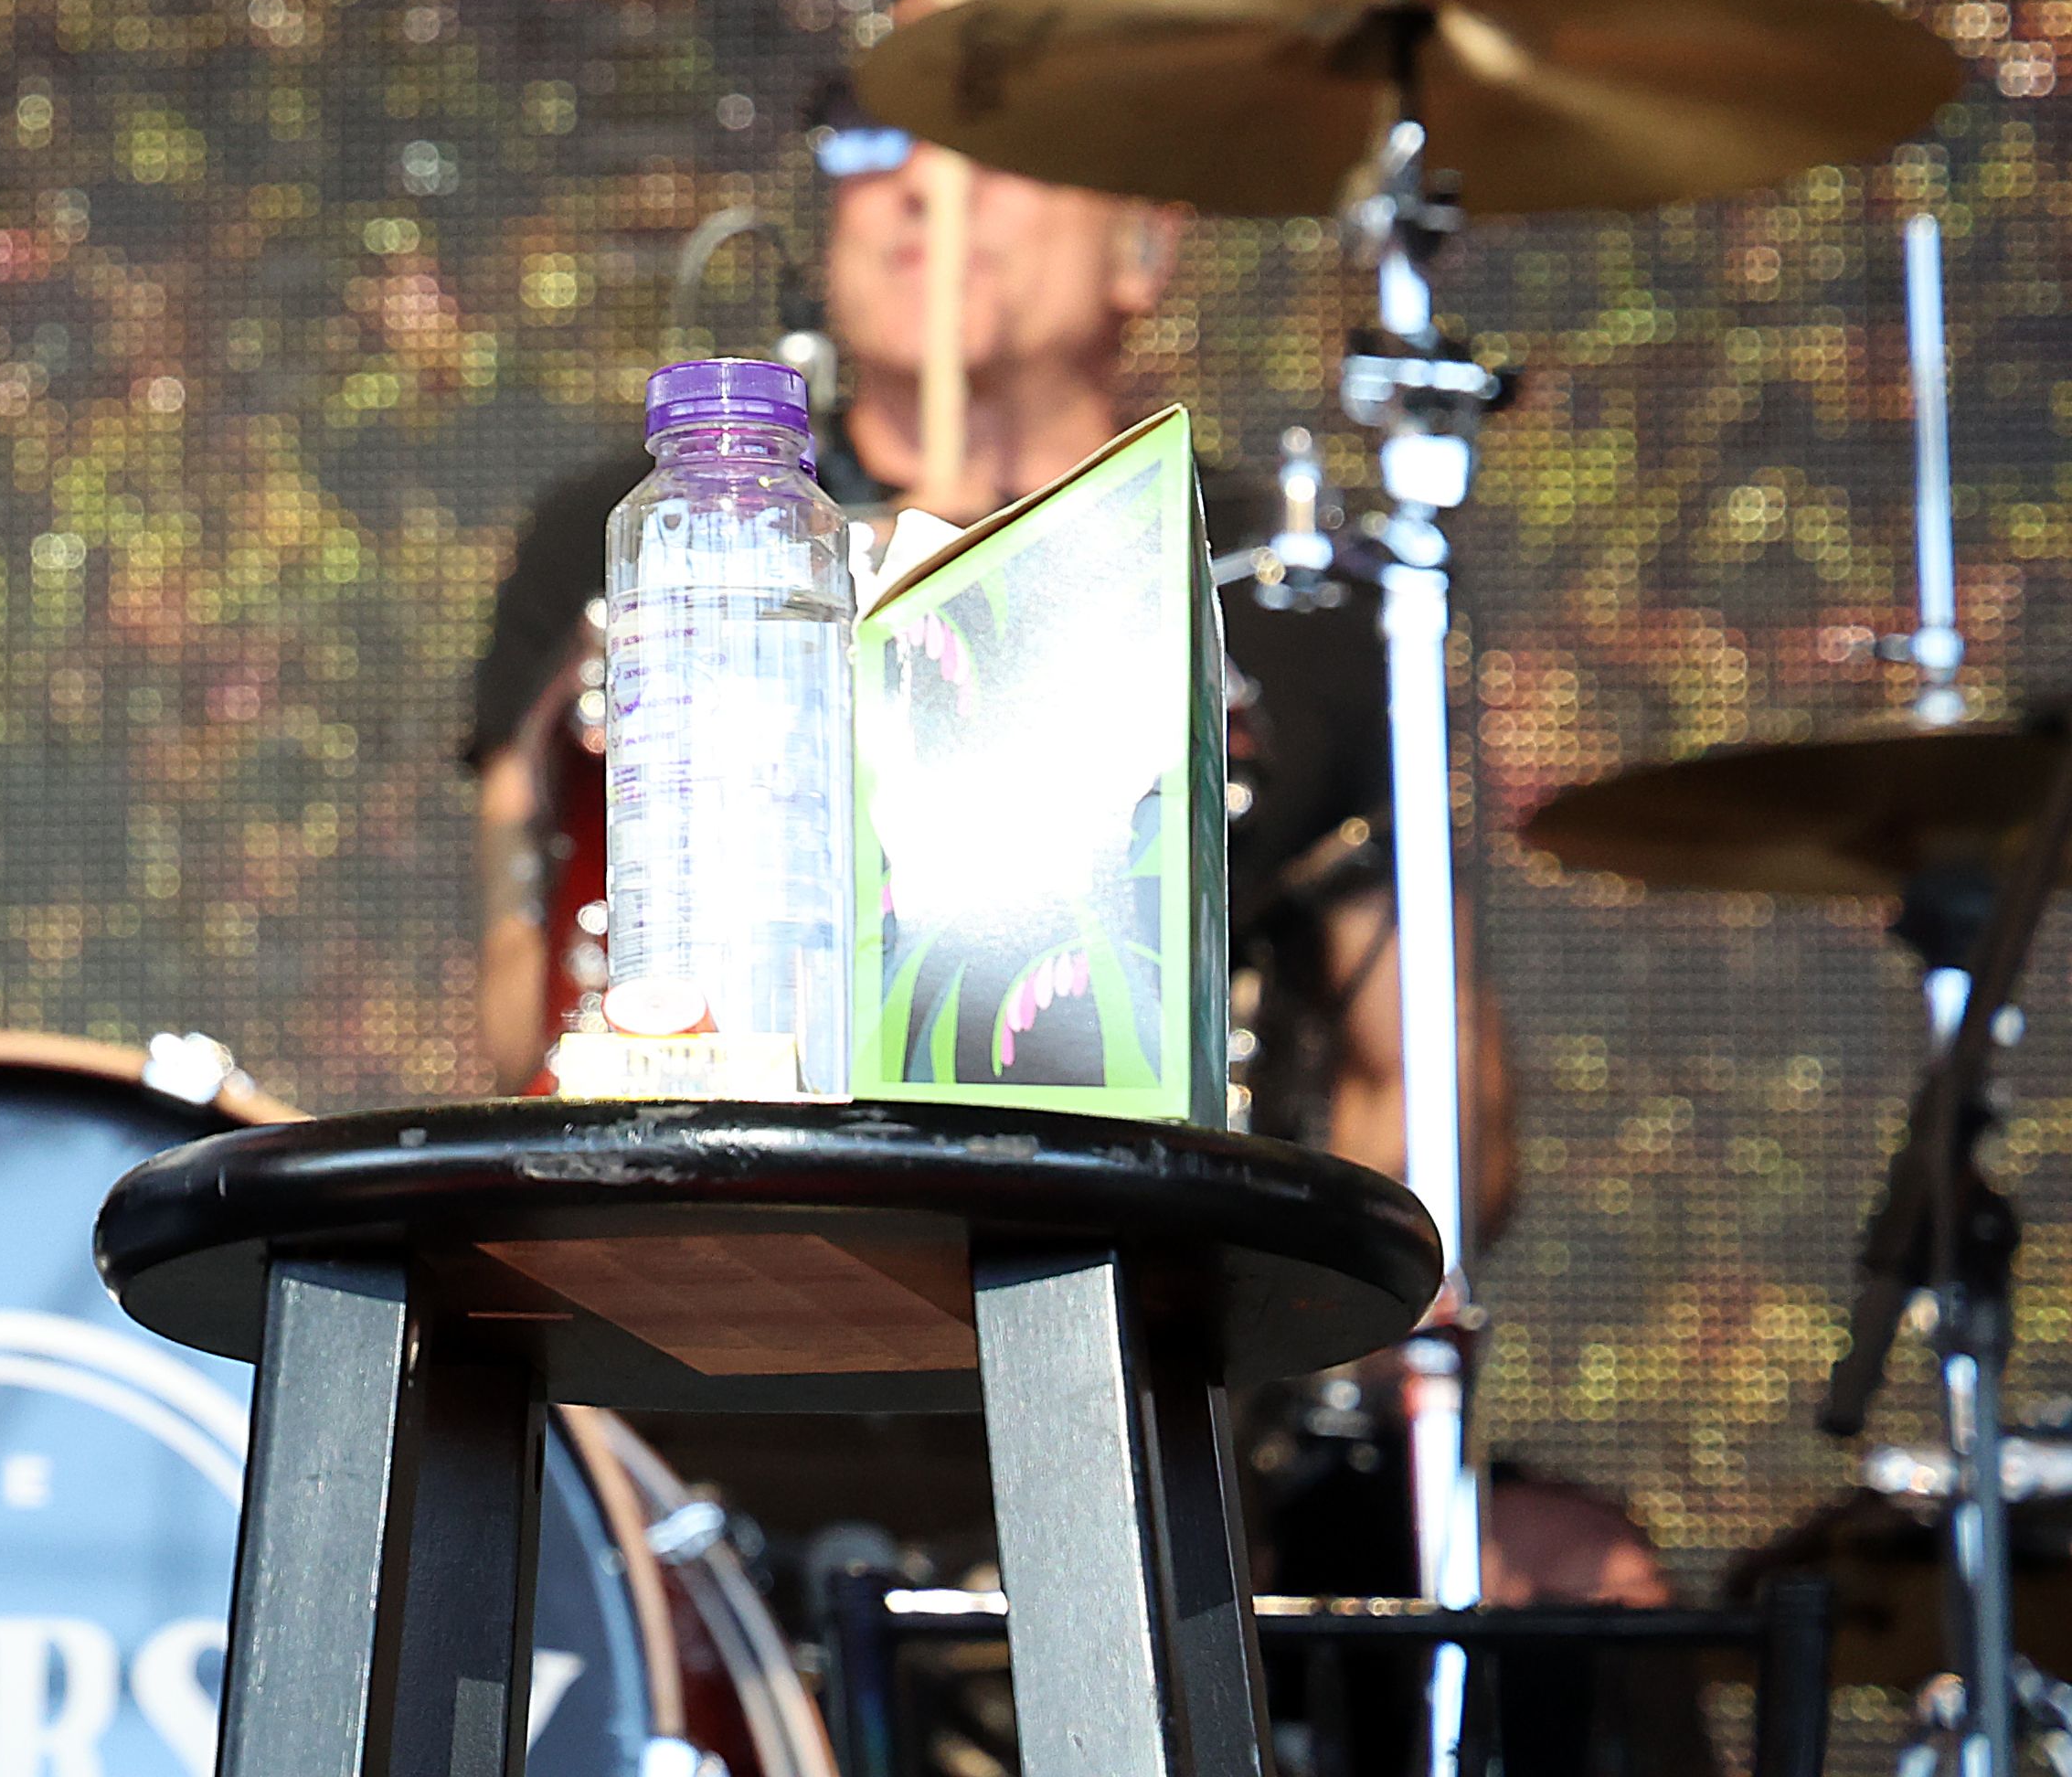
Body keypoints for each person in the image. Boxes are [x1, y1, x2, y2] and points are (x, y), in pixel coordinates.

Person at [461, 95, 1666, 1629]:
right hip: (704, 1337)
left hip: (1122, 1346)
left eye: (994, 151)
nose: (914, 196)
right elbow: (518, 1026)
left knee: (1584, 1595)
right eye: (870, 154)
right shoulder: (649, 535)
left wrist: (1311, 1394)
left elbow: (1428, 1089)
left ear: (1143, 250)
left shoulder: (1274, 584)